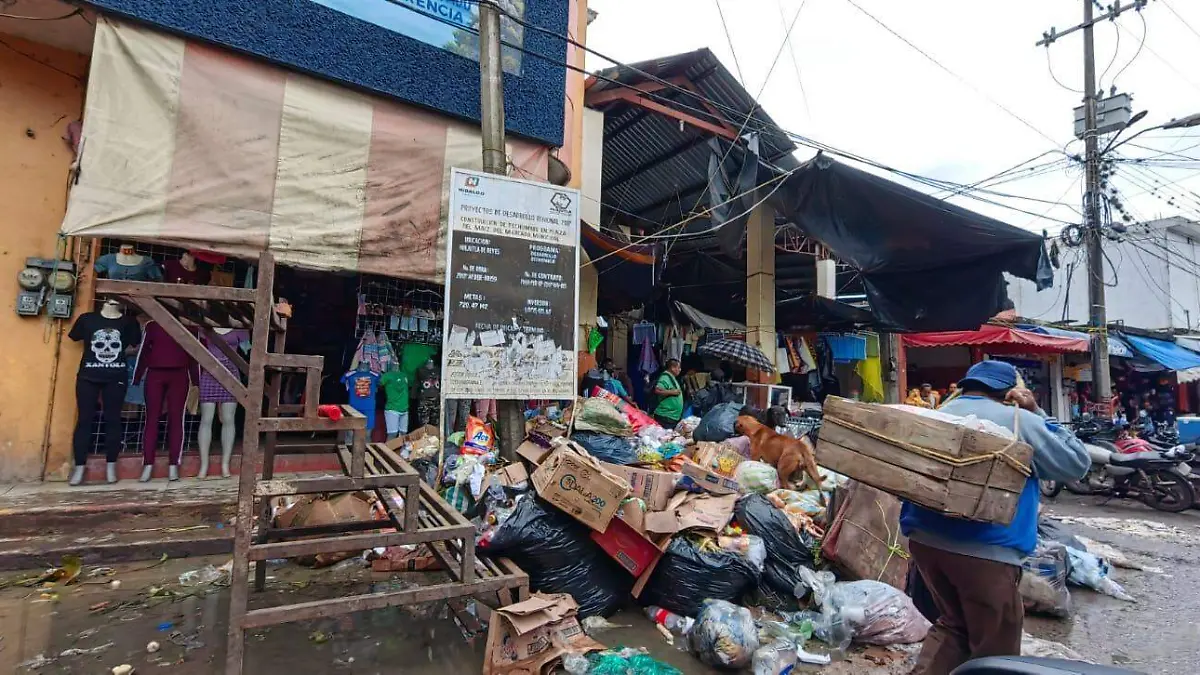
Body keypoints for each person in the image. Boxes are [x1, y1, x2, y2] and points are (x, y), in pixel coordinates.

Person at [900, 361, 1089, 675]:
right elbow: (1076, 463)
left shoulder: (934, 413)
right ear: (1008, 392)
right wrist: (1037, 411)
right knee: (997, 644)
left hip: (925, 542)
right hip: (985, 551)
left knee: (954, 624)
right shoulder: (1019, 420)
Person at [652, 358, 685, 429]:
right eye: (678, 367)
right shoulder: (665, 377)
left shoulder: (671, 378)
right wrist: (672, 392)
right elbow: (657, 390)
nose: (680, 370)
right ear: (672, 368)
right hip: (665, 416)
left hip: (670, 416)